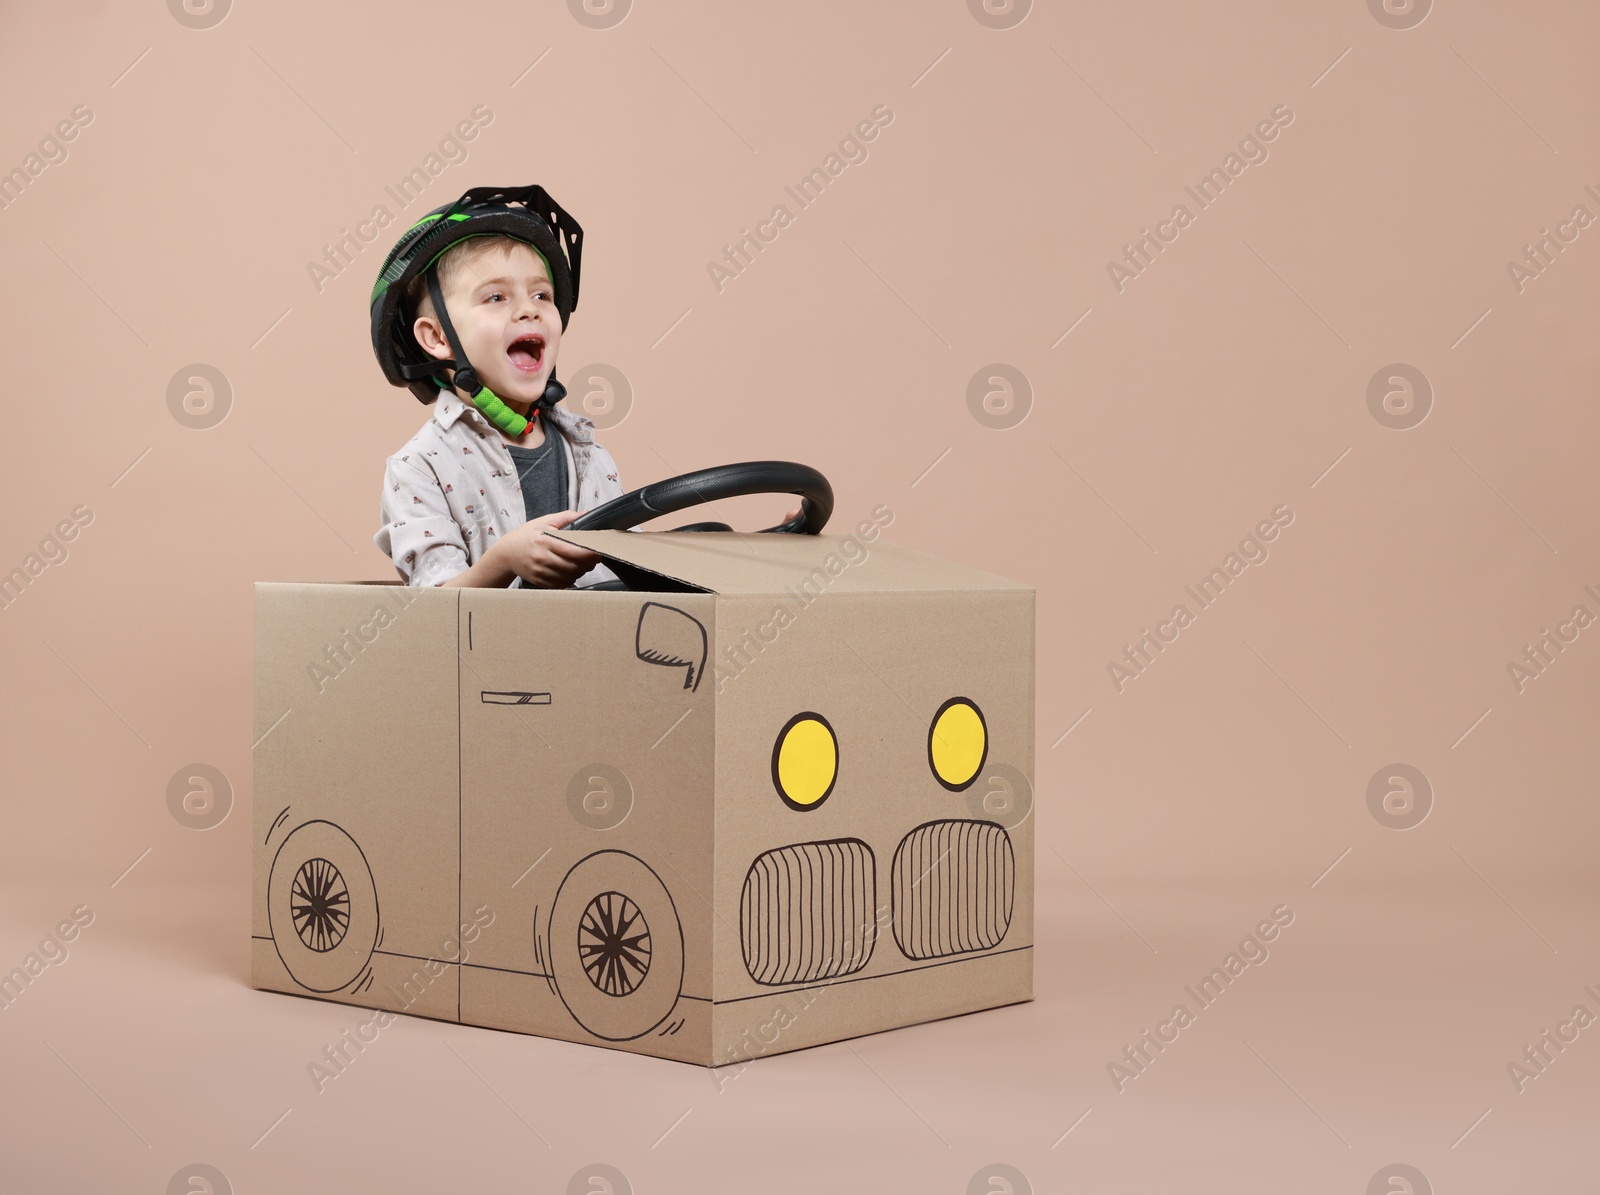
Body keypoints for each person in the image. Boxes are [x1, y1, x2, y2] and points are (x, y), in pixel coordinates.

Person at [370, 185, 799, 588]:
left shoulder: (588, 453)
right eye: (496, 298)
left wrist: (769, 547)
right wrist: (503, 560)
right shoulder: (419, 468)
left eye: (542, 295)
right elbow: (431, 609)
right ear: (438, 338)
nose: (528, 310)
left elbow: (637, 574)